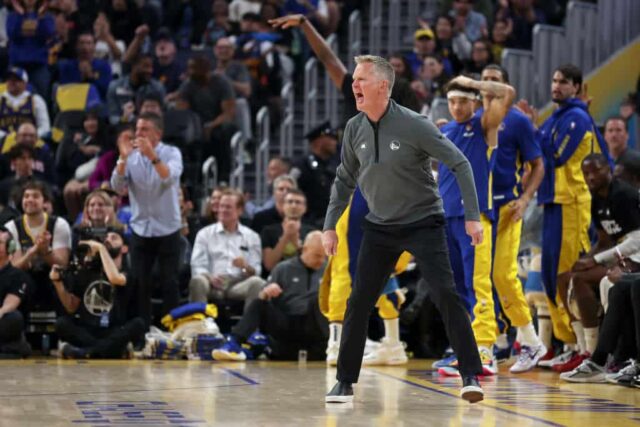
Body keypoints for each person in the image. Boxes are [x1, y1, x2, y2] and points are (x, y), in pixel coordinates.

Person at [322, 55, 484, 404]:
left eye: (361, 80)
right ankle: (345, 381)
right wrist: (329, 226)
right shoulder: (354, 128)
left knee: (445, 294)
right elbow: (343, 180)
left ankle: (471, 374)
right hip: (379, 228)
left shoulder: (415, 125)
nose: (354, 86)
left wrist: (472, 215)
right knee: (358, 301)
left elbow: (460, 163)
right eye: (354, 80)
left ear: (382, 86)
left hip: (423, 222)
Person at [519, 64, 611, 373]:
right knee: (550, 277)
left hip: (571, 203)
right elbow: (537, 154)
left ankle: (587, 350)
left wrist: (531, 130)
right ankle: (570, 345)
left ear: (576, 87)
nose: (556, 86)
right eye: (554, 80)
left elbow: (554, 156)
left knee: (566, 276)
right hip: (552, 202)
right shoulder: (556, 117)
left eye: (563, 82)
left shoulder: (576, 118)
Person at [436, 73, 514, 376]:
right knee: (456, 288)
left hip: (475, 217)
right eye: (452, 102)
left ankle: (484, 349)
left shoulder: (483, 125)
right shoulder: (444, 132)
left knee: (477, 284)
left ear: (473, 102)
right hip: (446, 217)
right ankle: (463, 349)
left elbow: (506, 92)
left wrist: (473, 84)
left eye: (462, 101)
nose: (456, 107)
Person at [481, 64, 547, 373]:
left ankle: (530, 341)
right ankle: (489, 346)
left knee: (503, 276)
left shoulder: (518, 121)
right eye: (484, 80)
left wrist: (525, 198)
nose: (489, 85)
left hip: (507, 209)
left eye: (495, 80)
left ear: (506, 88)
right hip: (478, 210)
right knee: (479, 278)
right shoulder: (471, 117)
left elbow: (538, 165)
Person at [560, 154, 640, 359]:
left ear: (609, 170)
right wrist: (586, 259)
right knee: (567, 276)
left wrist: (595, 260)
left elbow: (637, 241)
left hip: (636, 257)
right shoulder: (597, 199)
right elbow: (604, 241)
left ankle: (601, 353)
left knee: (598, 281)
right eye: (586, 173)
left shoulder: (624, 195)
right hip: (622, 255)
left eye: (596, 171)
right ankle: (583, 347)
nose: (591, 177)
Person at [111, 112, 183, 328]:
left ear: (157, 134)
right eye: (138, 129)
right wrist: (123, 158)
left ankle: (172, 331)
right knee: (141, 283)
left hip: (168, 227)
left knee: (170, 282)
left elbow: (168, 176)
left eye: (144, 130)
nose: (138, 134)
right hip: (141, 228)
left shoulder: (171, 153)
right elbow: (116, 187)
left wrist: (152, 156)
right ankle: (142, 332)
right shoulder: (130, 157)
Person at [213, 231, 328, 361]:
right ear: (304, 249)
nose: (321, 261)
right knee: (258, 304)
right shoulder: (283, 268)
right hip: (286, 322)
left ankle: (337, 347)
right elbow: (263, 296)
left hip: (313, 324)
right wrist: (267, 292)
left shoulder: (328, 270)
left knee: (322, 299)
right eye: (317, 256)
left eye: (324, 256)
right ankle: (233, 344)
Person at [50, 230, 145, 359]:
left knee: (138, 324)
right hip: (88, 329)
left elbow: (114, 278)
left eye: (114, 238)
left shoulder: (126, 273)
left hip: (113, 329)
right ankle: (109, 350)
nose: (108, 240)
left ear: (124, 248)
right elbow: (71, 306)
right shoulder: (87, 271)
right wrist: (57, 283)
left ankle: (85, 352)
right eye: (106, 238)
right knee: (61, 323)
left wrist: (101, 248)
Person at [189, 189, 265, 311]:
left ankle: (247, 328)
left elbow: (256, 271)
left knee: (257, 283)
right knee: (198, 280)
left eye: (228, 207)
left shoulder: (252, 236)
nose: (223, 210)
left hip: (237, 284)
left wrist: (245, 266)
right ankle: (200, 326)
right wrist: (210, 277)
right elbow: (197, 265)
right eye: (221, 206)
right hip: (211, 281)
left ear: (239, 210)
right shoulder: (204, 234)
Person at [4, 180, 71, 311]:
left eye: (35, 196)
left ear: (45, 201)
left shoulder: (59, 224)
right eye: (26, 196)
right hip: (25, 279)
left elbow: (62, 264)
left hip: (51, 277)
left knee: (62, 278)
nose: (29, 199)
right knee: (17, 280)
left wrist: (46, 251)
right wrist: (32, 252)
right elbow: (13, 268)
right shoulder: (11, 227)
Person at [290, 121, 339, 228]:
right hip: (306, 224)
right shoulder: (302, 166)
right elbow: (291, 191)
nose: (335, 142)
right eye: (331, 138)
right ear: (319, 141)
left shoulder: (332, 166)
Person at [261, 188, 316, 274]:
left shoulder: (312, 232)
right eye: (290, 202)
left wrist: (297, 245)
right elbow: (269, 265)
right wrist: (286, 237)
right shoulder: (268, 231)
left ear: (305, 208)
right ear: (283, 206)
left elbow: (314, 263)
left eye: (298, 202)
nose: (293, 205)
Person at [106, 54, 166, 125]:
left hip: (150, 127)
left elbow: (164, 114)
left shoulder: (157, 88)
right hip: (124, 128)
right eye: (146, 66)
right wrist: (124, 118)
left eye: (151, 67)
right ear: (134, 66)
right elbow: (113, 117)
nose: (150, 71)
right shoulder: (115, 86)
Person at [0, 226, 32, 358]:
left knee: (14, 318)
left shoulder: (18, 275)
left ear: (10, 247)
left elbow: (9, 305)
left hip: (2, 320)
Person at [56, 31, 112, 100]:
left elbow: (105, 91)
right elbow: (64, 90)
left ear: (94, 46)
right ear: (76, 46)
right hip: (73, 102)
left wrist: (90, 77)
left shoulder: (104, 66)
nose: (85, 47)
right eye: (82, 43)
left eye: (89, 43)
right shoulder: (67, 66)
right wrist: (81, 77)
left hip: (97, 104)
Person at [0, 67, 50, 141]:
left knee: (45, 149)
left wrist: (29, 136)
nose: (11, 82)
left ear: (25, 83)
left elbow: (45, 127)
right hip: (3, 142)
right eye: (9, 79)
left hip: (30, 141)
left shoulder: (36, 100)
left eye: (16, 80)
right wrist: (7, 137)